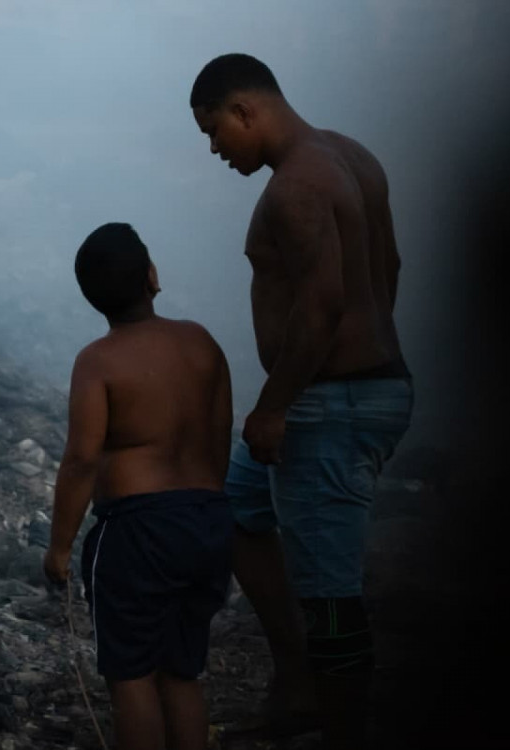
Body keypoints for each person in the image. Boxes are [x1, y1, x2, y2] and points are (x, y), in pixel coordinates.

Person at [189, 53, 414, 749]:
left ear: (245, 111)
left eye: (213, 130)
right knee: (235, 506)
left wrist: (278, 406)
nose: (214, 149)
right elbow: (391, 268)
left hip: (327, 405)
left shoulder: (296, 188)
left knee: (331, 595)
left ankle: (346, 726)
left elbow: (320, 307)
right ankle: (299, 679)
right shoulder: (351, 156)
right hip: (350, 389)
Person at [43, 222, 234, 750]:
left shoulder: (97, 361)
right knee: (181, 672)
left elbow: (81, 460)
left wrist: (59, 548)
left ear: (91, 299)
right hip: (207, 520)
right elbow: (220, 438)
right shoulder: (202, 344)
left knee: (132, 677)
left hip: (137, 533)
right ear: (152, 275)